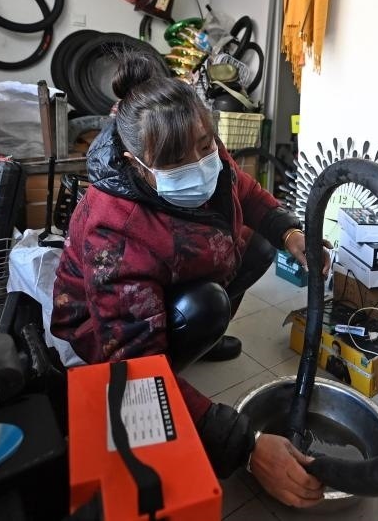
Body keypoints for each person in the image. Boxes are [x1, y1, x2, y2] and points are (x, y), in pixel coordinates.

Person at [52, 52, 329, 508]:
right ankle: (185, 339)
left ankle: (194, 338)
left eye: (204, 147)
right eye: (174, 161)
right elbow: (135, 370)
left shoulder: (203, 147)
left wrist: (289, 232)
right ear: (135, 164)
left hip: (173, 268)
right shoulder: (114, 230)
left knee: (260, 245)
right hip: (102, 331)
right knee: (205, 307)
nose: (199, 165)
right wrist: (246, 447)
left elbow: (244, 191)